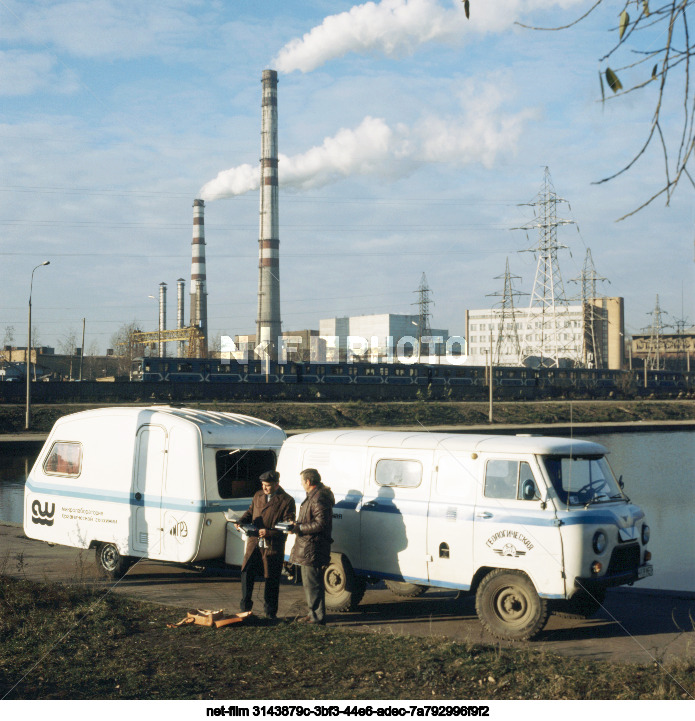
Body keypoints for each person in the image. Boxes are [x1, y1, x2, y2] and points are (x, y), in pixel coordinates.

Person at [236, 470, 295, 621]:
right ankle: (245, 609)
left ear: (277, 484)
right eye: (263, 485)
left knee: (271, 579)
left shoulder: (287, 500)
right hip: (254, 542)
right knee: (247, 573)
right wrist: (241, 522)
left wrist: (268, 532)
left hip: (272, 545)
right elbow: (250, 512)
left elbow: (288, 525)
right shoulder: (258, 495)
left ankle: (270, 613)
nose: (265, 488)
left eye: (268, 485)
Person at [288, 468, 335, 625]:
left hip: (312, 548)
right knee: (312, 584)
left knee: (313, 584)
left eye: (302, 481)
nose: (301, 484)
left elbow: (320, 523)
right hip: (310, 547)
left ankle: (316, 616)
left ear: (308, 481)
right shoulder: (317, 496)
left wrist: (299, 528)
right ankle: (313, 613)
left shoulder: (317, 498)